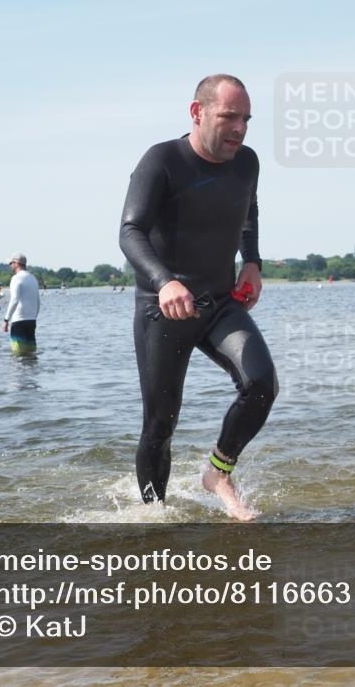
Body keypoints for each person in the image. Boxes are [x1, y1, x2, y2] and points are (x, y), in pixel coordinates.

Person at [119, 74, 277, 521]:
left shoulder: (247, 163)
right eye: (229, 116)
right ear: (197, 112)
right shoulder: (162, 161)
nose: (240, 128)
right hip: (163, 308)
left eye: (246, 119)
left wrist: (252, 261)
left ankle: (217, 473)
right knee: (160, 423)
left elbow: (249, 209)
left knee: (261, 384)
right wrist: (163, 281)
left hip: (219, 302)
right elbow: (129, 231)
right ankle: (155, 519)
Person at [2, 253, 40, 353]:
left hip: (19, 320)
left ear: (16, 263)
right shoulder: (33, 278)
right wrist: (34, 317)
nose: (10, 265)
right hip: (31, 320)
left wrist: (6, 320)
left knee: (18, 355)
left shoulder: (16, 278)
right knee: (31, 355)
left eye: (11, 263)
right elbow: (38, 301)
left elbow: (14, 299)